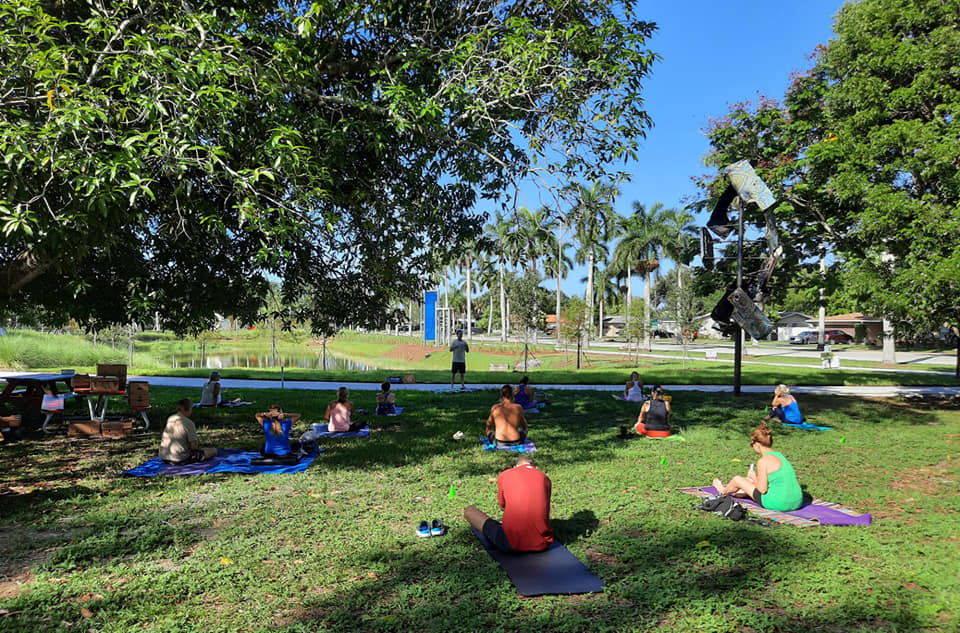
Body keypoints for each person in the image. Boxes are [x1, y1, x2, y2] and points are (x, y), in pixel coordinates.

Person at [464, 455, 554, 552]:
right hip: (543, 543)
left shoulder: (505, 474)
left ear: (515, 467)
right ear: (535, 468)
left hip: (511, 543)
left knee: (469, 511)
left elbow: (502, 506)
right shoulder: (545, 478)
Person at [711, 422, 803, 512]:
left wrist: (753, 477)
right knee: (749, 481)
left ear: (757, 444)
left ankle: (723, 491)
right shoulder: (780, 456)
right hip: (797, 502)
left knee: (737, 479)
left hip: (778, 503)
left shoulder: (763, 461)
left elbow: (762, 490)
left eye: (752, 444)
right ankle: (741, 491)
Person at [159, 399, 217, 464]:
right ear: (189, 409)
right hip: (180, 458)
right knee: (213, 451)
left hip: (164, 456)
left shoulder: (170, 418)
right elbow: (194, 446)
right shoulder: (189, 423)